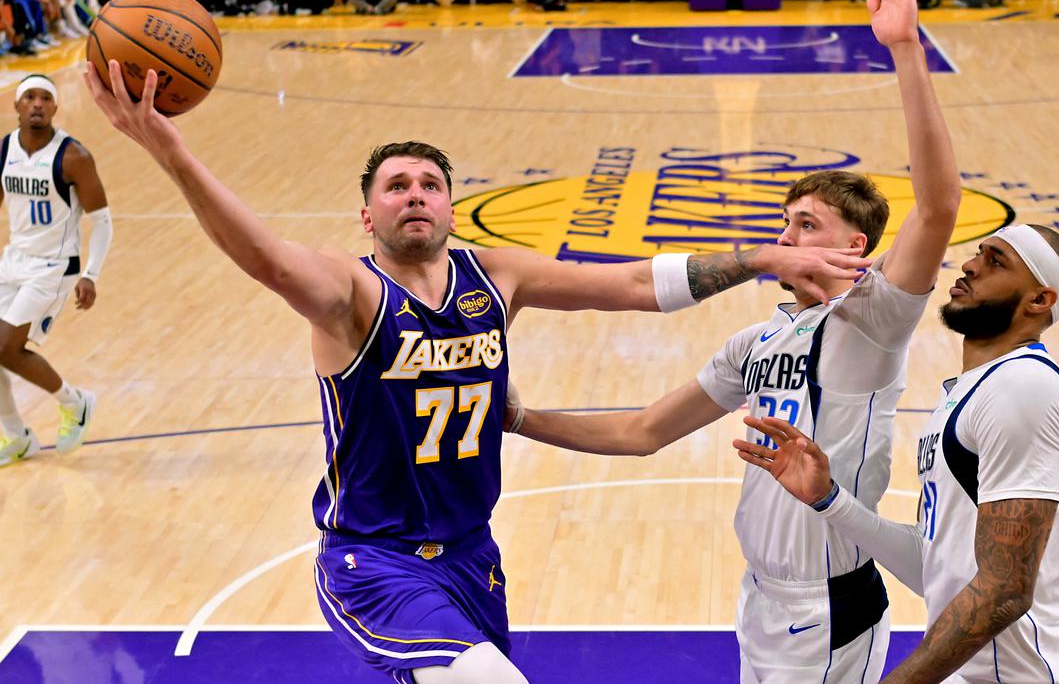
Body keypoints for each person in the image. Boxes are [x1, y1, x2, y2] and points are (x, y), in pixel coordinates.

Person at [82, 60, 868, 682]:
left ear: (452, 210)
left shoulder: (494, 277)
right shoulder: (350, 292)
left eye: (430, 185)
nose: (415, 196)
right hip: (374, 562)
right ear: (368, 215)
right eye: (396, 187)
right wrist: (170, 149)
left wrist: (761, 257)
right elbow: (266, 259)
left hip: (471, 555)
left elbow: (631, 285)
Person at [505, 0, 961, 683]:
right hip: (759, 599)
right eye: (785, 224)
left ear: (855, 245)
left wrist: (905, 49)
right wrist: (522, 419)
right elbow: (643, 432)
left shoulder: (874, 323)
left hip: (828, 606)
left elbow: (938, 206)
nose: (787, 239)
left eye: (807, 225)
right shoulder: (758, 341)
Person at [735, 223, 1059, 683]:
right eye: (979, 253)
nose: (971, 265)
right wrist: (829, 499)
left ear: (1040, 300)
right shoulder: (975, 389)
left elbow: (1005, 591)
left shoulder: (1023, 387)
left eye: (996, 262)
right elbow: (937, 568)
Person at [0, 75, 109, 467]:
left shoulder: (74, 156)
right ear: (16, 105)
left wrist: (91, 274)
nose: (37, 103)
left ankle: (75, 403)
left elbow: (102, 221)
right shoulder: (5, 150)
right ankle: (17, 437)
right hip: (14, 261)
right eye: (29, 97)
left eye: (45, 98)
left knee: (6, 348)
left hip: (54, 268)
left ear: (55, 108)